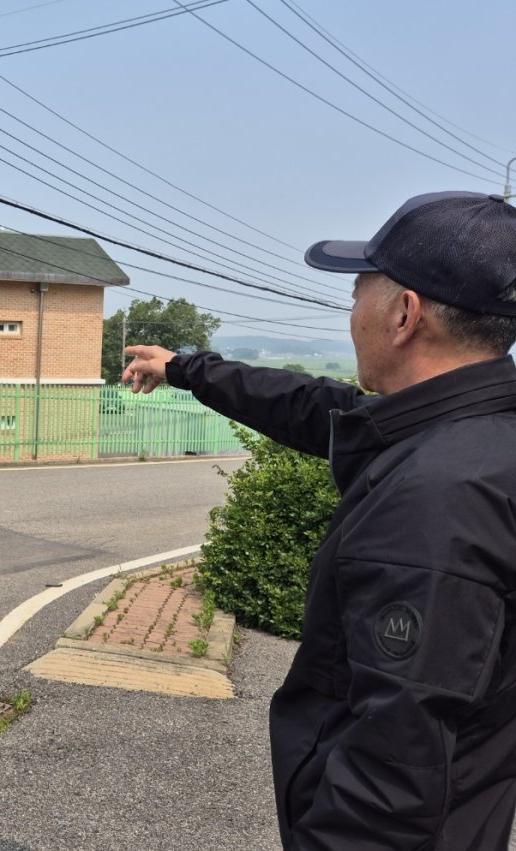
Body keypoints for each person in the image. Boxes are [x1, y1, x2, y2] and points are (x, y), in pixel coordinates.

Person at [122, 191, 516, 850]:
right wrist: (185, 368)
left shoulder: (436, 501)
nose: (350, 310)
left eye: (359, 289)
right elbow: (315, 406)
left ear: (403, 313)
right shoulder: (473, 433)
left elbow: (392, 779)